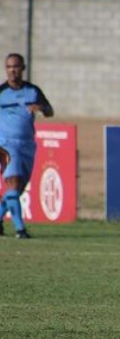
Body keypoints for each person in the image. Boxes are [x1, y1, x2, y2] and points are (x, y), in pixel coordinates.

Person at [0, 53, 54, 238]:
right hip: (6, 145)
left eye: (15, 66)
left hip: (27, 145)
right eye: (8, 67)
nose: (12, 70)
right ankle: (20, 230)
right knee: (13, 183)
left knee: (17, 188)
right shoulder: (1, 92)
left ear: (22, 68)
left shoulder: (33, 91)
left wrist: (41, 108)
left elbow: (50, 112)